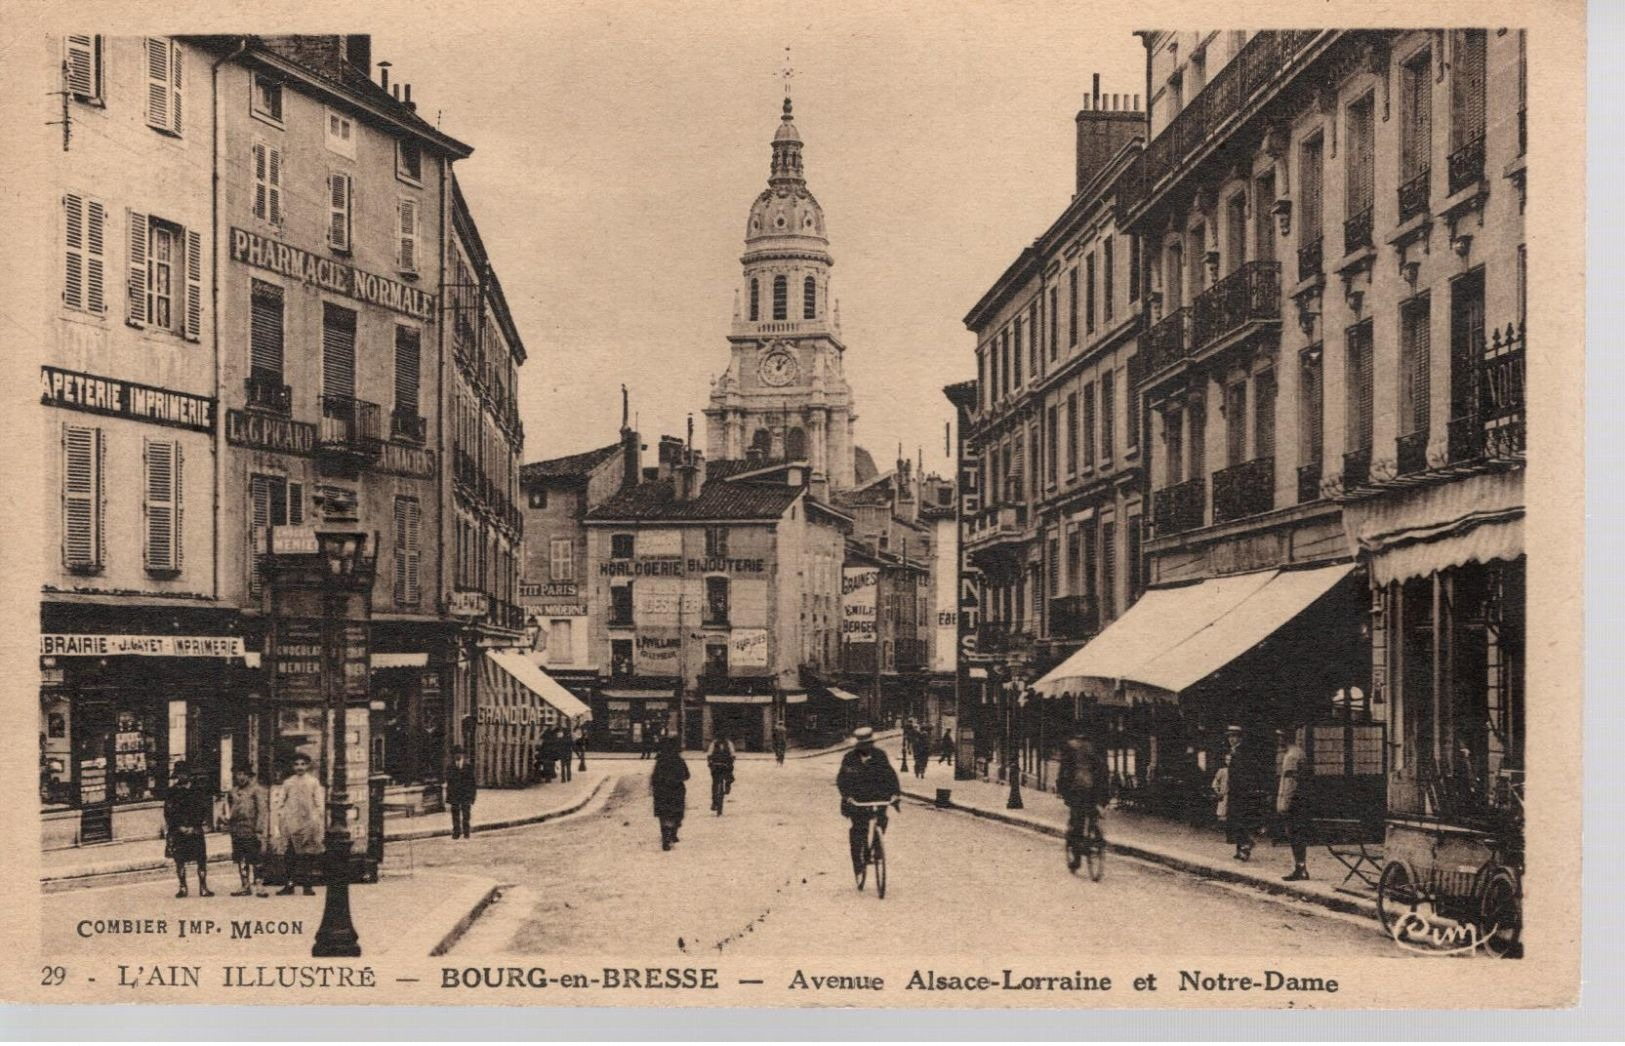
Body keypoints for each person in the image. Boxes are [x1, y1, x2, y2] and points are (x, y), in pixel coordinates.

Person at [835, 726, 902, 877]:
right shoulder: (850, 758)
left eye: (869, 744)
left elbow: (890, 775)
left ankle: (877, 849)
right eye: (863, 745)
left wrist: (895, 794)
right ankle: (858, 862)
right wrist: (847, 797)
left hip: (878, 796)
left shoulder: (880, 756)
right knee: (859, 829)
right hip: (857, 799)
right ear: (858, 745)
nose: (867, 747)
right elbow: (842, 780)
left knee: (882, 818)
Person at [1056, 731, 1107, 868]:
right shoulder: (1094, 746)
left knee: (1076, 822)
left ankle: (1076, 858)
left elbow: (1064, 771)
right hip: (1094, 789)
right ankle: (1096, 836)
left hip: (1077, 789)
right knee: (1091, 813)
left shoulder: (1070, 747)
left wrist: (1062, 789)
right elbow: (1102, 769)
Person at [275, 753, 324, 896]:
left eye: (303, 764)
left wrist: (315, 818)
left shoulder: (313, 782)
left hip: (308, 822)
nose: (299, 767)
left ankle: (307, 885)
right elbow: (281, 801)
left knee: (307, 854)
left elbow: (319, 803)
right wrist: (283, 817)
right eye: (296, 764)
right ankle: (289, 884)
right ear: (292, 766)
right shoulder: (288, 782)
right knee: (290, 854)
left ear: (308, 766)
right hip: (291, 822)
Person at [164, 762, 214, 898]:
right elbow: (168, 812)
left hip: (195, 829)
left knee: (201, 859)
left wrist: (194, 826)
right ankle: (183, 887)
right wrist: (179, 826)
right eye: (180, 774)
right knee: (179, 860)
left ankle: (203, 887)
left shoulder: (197, 790)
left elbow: (203, 809)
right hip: (178, 830)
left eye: (184, 773)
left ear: (189, 775)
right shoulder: (172, 792)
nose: (182, 776)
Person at [225, 763, 269, 897]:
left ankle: (259, 885)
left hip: (251, 829)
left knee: (256, 858)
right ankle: (245, 885)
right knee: (241, 858)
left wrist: (259, 829)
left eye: (244, 774)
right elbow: (228, 810)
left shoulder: (256, 790)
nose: (241, 777)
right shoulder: (232, 791)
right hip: (237, 830)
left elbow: (262, 811)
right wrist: (227, 822)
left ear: (249, 776)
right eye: (238, 774)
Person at [1276, 728, 1311, 881]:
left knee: (1294, 835)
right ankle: (1301, 867)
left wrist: (1284, 804)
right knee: (1299, 834)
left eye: (1280, 738)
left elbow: (1290, 783)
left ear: (1284, 739)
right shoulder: (1300, 753)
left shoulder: (1290, 757)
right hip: (1302, 798)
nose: (1278, 741)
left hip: (1293, 801)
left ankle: (1300, 868)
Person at [1221, 724, 1257, 861]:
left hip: (1242, 790)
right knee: (1235, 820)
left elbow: (1245, 771)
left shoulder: (1243, 752)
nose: (1232, 739)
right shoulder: (1231, 751)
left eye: (1234, 736)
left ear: (1240, 738)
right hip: (1234, 789)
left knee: (1241, 819)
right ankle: (1239, 848)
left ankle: (1246, 846)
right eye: (1230, 737)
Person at [650, 736, 690, 851]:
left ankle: (665, 836)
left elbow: (655, 777)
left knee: (663, 813)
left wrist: (655, 787)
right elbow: (687, 775)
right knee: (676, 812)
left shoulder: (660, 760)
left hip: (661, 790)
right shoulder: (679, 760)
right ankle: (673, 832)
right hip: (676, 789)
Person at [446, 746, 477, 840]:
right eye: (455, 754)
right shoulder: (450, 767)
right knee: (455, 814)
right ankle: (456, 832)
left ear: (462, 754)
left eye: (459, 753)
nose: (457, 756)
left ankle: (466, 832)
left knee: (466, 814)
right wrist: (448, 797)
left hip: (466, 794)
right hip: (455, 794)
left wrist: (472, 796)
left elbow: (472, 783)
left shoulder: (468, 766)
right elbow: (449, 783)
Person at [706, 736, 735, 812]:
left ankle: (728, 784)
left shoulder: (728, 743)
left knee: (728, 776)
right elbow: (709, 754)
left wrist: (730, 762)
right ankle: (715, 802)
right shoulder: (715, 743)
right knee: (715, 783)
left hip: (724, 765)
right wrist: (710, 762)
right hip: (716, 765)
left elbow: (732, 754)